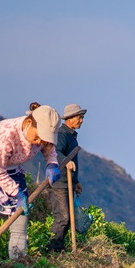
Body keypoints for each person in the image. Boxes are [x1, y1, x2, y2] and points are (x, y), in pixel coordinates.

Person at [0, 102, 62, 259]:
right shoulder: (6, 135)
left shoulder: (42, 137)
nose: (40, 142)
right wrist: (17, 194)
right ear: (28, 123)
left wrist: (52, 163)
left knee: (20, 222)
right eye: (38, 137)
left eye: (45, 139)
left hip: (13, 170)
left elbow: (49, 150)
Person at [46, 103, 86, 253]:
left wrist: (76, 182)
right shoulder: (62, 134)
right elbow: (55, 152)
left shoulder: (72, 137)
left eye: (82, 118)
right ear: (69, 118)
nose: (81, 120)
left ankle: (59, 248)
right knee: (63, 218)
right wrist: (66, 161)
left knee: (68, 219)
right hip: (59, 184)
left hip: (68, 183)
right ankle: (53, 250)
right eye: (79, 117)